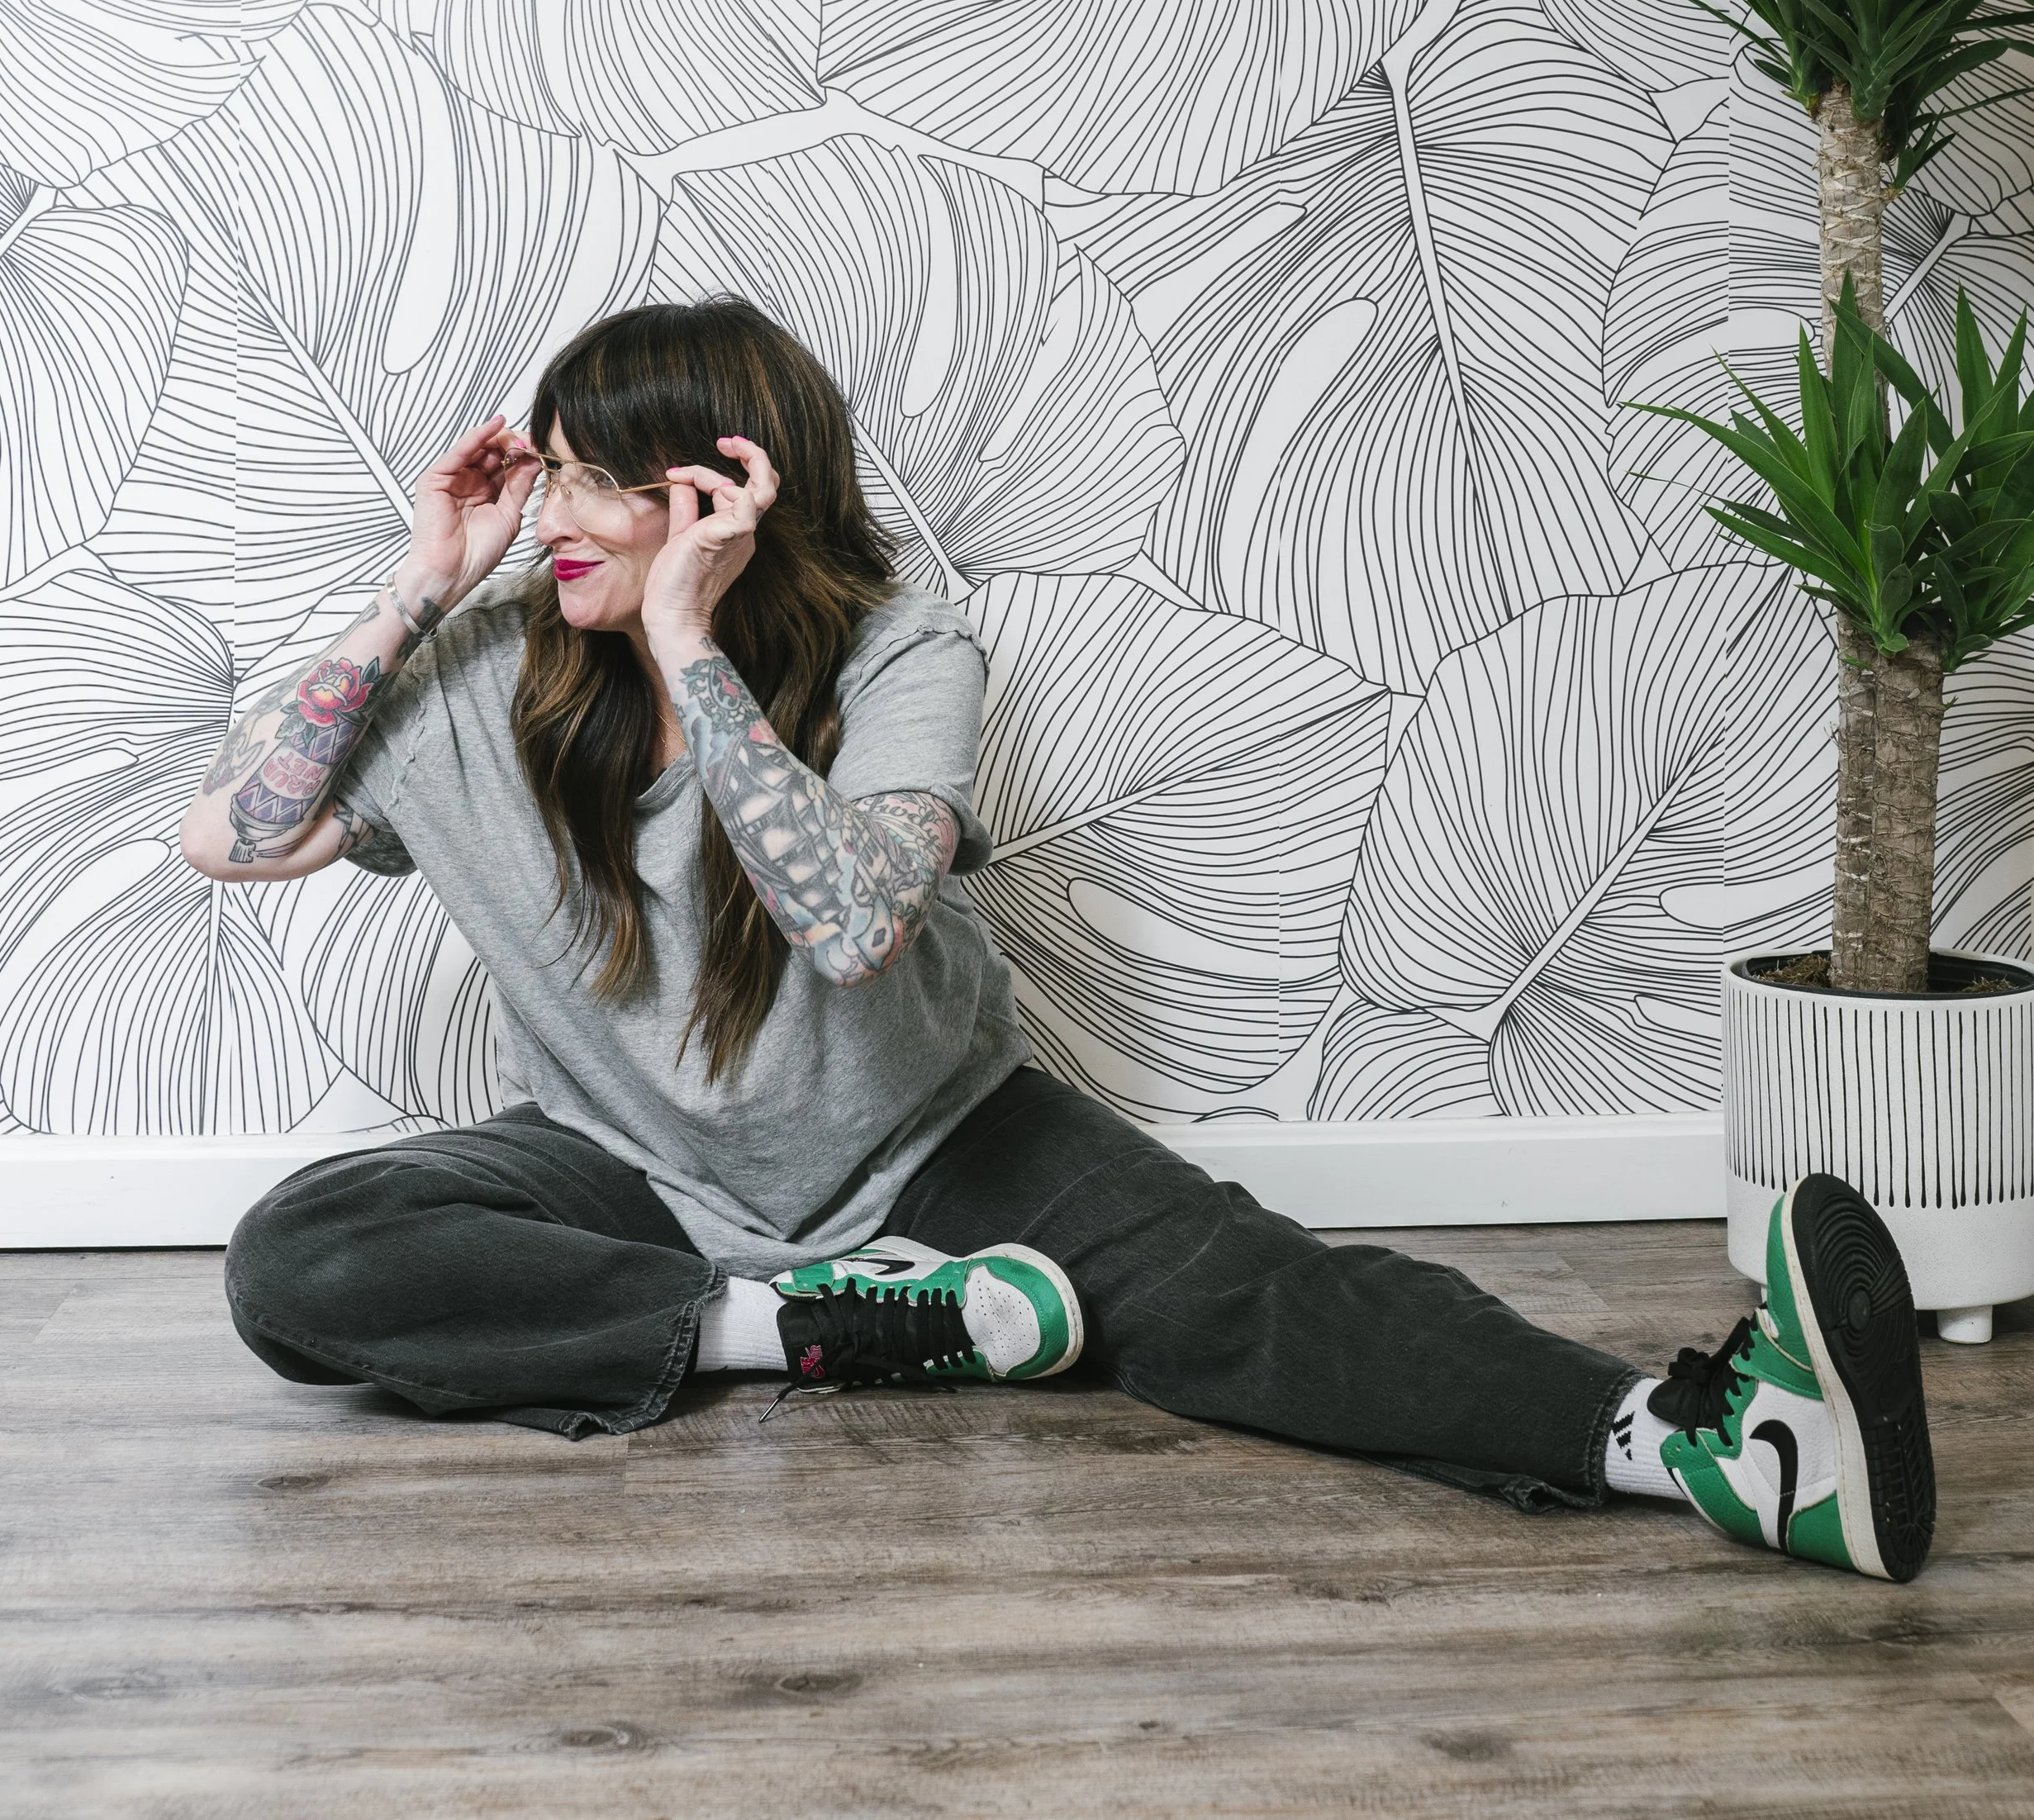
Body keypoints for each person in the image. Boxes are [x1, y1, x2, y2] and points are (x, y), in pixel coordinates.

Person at [187, 299, 1937, 1584]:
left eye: (586, 484)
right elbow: (237, 841)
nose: (547, 516)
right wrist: (423, 575)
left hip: (939, 1140)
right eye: (541, 479)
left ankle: (1718, 1448)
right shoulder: (485, 672)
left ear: (716, 498)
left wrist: (689, 644)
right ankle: (792, 1329)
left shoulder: (898, 650)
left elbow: (854, 921)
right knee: (304, 1257)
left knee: (1257, 1294)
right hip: (621, 1171)